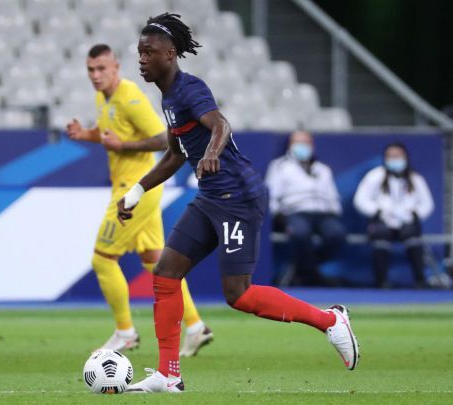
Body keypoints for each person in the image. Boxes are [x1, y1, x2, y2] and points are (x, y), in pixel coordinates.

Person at [117, 13, 360, 393]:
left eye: (148, 52)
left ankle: (330, 321)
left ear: (170, 54)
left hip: (237, 197)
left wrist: (212, 153)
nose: (142, 59)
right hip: (211, 197)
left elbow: (220, 125)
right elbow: (176, 154)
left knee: (239, 294)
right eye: (139, 53)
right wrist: (135, 192)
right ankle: (169, 374)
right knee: (165, 274)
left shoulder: (189, 88)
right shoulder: (169, 98)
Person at [66, 43, 213, 356]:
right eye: (91, 70)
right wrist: (87, 134)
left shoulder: (130, 96)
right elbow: (110, 133)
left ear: (116, 68)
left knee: (103, 259)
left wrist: (123, 147)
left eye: (102, 69)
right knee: (156, 262)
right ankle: (196, 326)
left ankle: (125, 332)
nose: (96, 75)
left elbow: (164, 139)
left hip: (135, 189)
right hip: (133, 188)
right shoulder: (102, 98)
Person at [265, 130, 346, 285]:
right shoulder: (279, 166)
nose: (302, 146)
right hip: (295, 212)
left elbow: (333, 196)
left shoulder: (322, 169)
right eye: (298, 142)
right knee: (301, 234)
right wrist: (277, 215)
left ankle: (305, 270)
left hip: (323, 214)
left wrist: (334, 211)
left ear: (312, 145)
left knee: (337, 235)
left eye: (306, 142)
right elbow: (271, 194)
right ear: (290, 145)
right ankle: (312, 275)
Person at [353, 142, 434, 288]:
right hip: (383, 221)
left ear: (405, 157)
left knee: (412, 234)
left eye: (398, 156)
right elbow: (360, 200)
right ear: (385, 158)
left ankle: (420, 280)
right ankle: (381, 281)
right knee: (381, 235)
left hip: (407, 221)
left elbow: (427, 203)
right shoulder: (375, 176)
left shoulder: (415, 178)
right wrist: (377, 211)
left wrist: (414, 214)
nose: (394, 159)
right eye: (391, 156)